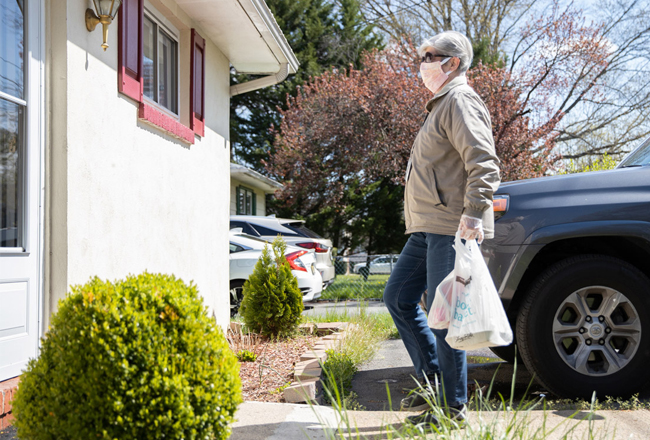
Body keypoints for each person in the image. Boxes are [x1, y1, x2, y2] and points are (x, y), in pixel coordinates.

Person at [383, 30, 500, 428]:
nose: (423, 63)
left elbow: (484, 162)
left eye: (431, 56)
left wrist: (472, 215)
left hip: (451, 227)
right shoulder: (440, 105)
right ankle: (435, 384)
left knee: (445, 320)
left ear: (452, 63)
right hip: (427, 227)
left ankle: (452, 411)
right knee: (398, 297)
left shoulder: (460, 100)